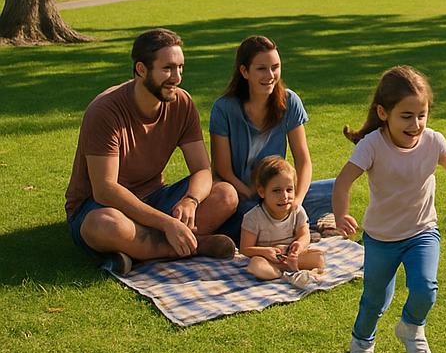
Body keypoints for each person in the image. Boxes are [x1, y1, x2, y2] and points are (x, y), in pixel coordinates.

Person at [332, 66, 446, 353]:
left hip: (422, 232)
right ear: (383, 113)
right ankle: (362, 342)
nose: (416, 124)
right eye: (407, 116)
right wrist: (341, 214)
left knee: (425, 288)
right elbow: (343, 182)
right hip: (381, 238)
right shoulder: (372, 144)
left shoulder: (433, 141)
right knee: (374, 299)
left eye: (421, 115)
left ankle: (412, 327)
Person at [65, 28, 238, 275]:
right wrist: (167, 223)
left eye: (180, 67)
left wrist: (191, 201)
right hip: (100, 206)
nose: (177, 77)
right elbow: (105, 189)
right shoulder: (105, 111)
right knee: (103, 225)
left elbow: (201, 169)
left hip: (156, 197)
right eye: (167, 68)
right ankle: (194, 244)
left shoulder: (182, 103)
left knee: (226, 194)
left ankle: (136, 252)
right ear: (141, 69)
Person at [210, 35, 314, 243]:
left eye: (275, 67)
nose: (270, 75)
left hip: (279, 192)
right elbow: (223, 169)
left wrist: (296, 203)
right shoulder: (224, 108)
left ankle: (289, 224)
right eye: (261, 68)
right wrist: (250, 192)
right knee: (247, 214)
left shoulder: (290, 101)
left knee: (332, 190)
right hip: (243, 195)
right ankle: (289, 228)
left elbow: (303, 161)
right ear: (244, 71)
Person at [240, 156, 326, 289]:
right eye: (276, 191)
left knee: (319, 258)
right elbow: (245, 249)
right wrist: (265, 252)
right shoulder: (253, 217)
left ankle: (289, 268)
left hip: (292, 255)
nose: (284, 196)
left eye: (289, 190)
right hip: (267, 259)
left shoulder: (297, 211)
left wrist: (299, 245)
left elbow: (304, 235)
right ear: (262, 192)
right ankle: (285, 273)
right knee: (256, 266)